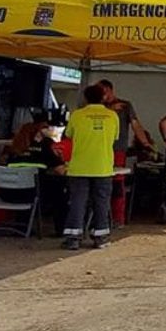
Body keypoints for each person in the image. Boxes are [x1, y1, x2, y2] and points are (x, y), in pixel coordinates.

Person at [63, 84, 119, 250]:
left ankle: (73, 238)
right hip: (102, 166)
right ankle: (100, 237)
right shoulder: (112, 116)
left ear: (85, 98)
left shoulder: (77, 115)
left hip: (79, 166)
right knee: (101, 202)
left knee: (78, 201)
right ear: (103, 97)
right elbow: (115, 138)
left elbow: (68, 135)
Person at [98, 79, 150, 227]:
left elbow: (135, 124)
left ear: (110, 90)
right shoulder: (97, 107)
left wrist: (145, 143)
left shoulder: (125, 106)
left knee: (117, 183)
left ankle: (118, 218)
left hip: (118, 150)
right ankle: (100, 217)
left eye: (104, 92)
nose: (103, 96)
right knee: (99, 183)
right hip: (99, 149)